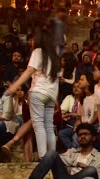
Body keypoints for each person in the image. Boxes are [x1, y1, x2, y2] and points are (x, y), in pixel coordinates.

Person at [6, 22, 60, 159]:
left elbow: (30, 70)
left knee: (38, 125)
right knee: (49, 126)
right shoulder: (54, 57)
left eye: (33, 38)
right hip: (51, 94)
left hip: (38, 92)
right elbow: (56, 79)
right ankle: (52, 156)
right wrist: (56, 98)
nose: (31, 41)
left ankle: (43, 157)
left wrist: (14, 85)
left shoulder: (38, 52)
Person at [14, 123, 100, 179]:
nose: (82, 137)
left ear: (93, 138)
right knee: (52, 153)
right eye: (80, 135)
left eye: (86, 134)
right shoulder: (72, 152)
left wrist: (75, 173)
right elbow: (59, 159)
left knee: (91, 170)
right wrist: (76, 163)